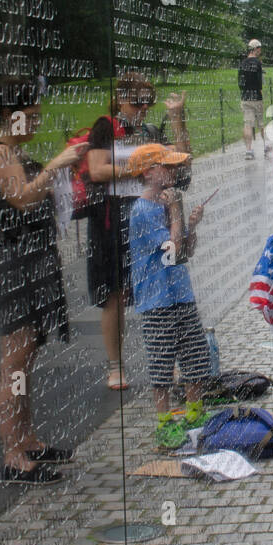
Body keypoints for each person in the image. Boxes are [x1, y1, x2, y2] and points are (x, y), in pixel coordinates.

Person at [0, 79, 87, 485]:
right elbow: (22, 197)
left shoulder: (14, 151)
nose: (37, 122)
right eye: (33, 115)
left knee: (26, 356)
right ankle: (13, 454)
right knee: (14, 361)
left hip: (30, 263)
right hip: (12, 268)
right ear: (12, 115)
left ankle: (28, 441)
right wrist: (53, 166)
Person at [86, 75, 191, 392]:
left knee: (161, 288)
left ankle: (167, 362)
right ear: (120, 100)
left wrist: (177, 119)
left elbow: (183, 162)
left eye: (149, 102)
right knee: (114, 294)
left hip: (150, 216)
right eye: (137, 102)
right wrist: (138, 166)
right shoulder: (105, 127)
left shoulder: (149, 131)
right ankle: (115, 366)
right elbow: (96, 169)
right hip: (112, 219)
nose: (144, 109)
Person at [127, 144, 212, 418]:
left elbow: (184, 254)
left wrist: (192, 226)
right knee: (162, 364)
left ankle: (194, 413)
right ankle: (164, 421)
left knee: (195, 357)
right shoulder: (142, 210)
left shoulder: (166, 204)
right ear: (149, 173)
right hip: (157, 300)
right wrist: (176, 210)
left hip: (180, 294)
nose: (175, 171)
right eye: (168, 166)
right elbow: (170, 252)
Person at [239, 39, 270, 160]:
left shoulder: (242, 63)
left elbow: (240, 82)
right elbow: (259, 81)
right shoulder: (257, 63)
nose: (260, 51)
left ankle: (248, 150)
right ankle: (265, 145)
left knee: (247, 124)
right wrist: (260, 90)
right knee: (261, 123)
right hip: (256, 97)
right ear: (255, 49)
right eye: (259, 49)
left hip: (245, 97)